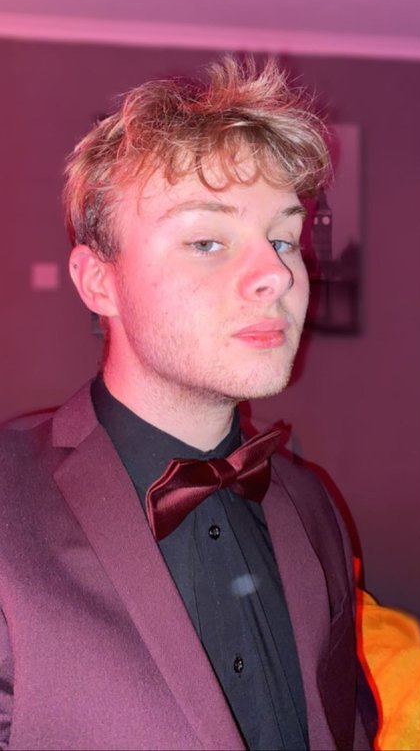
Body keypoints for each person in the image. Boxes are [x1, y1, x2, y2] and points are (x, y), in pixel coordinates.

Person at [0, 56, 379, 750]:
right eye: (207, 241)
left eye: (284, 239)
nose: (276, 275)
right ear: (98, 282)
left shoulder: (313, 502)